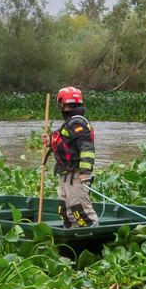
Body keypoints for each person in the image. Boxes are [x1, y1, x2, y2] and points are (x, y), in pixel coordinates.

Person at [48, 86, 99, 228]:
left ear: (64, 103)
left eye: (61, 104)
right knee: (65, 210)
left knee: (81, 209)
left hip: (76, 175)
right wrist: (49, 141)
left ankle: (92, 234)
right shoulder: (70, 123)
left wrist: (84, 172)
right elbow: (65, 142)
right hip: (65, 174)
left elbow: (87, 148)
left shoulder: (78, 123)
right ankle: (70, 234)